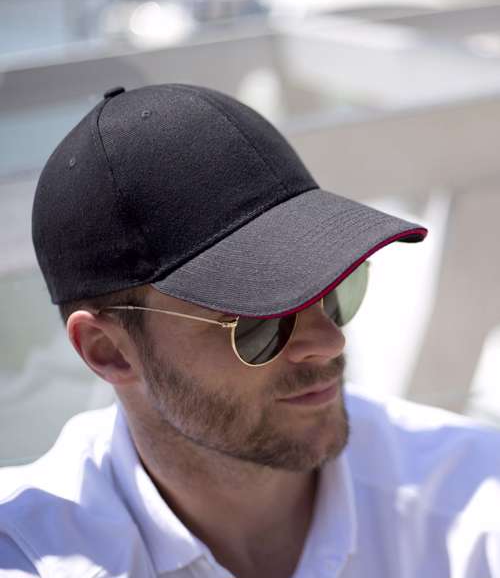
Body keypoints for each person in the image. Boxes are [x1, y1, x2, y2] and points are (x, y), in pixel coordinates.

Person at [0, 83, 498, 578]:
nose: (329, 342)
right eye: (260, 319)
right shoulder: (28, 556)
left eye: (333, 291)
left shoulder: (472, 492)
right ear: (108, 351)